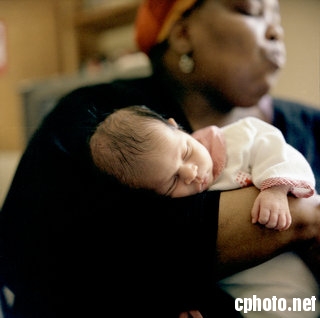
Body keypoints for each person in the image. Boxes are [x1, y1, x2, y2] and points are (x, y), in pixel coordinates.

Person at [0, 0, 320, 317]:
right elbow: (38, 256)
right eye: (251, 11)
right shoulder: (97, 119)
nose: (276, 31)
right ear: (181, 33)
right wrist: (301, 218)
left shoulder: (311, 125)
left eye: (277, 16)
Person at [90, 105, 316, 231]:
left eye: (186, 152)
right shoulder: (180, 209)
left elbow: (276, 148)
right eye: (172, 181)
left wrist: (275, 191)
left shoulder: (238, 137)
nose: (190, 174)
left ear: (176, 127)